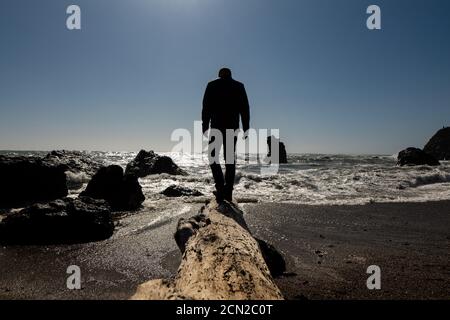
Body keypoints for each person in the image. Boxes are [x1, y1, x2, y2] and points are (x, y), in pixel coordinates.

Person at [202, 68, 250, 202]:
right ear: (230, 75)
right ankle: (228, 191)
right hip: (232, 126)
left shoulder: (212, 85)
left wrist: (204, 126)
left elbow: (206, 107)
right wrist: (246, 127)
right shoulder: (238, 86)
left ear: (219, 75)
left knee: (212, 157)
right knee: (229, 158)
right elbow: (245, 108)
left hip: (216, 125)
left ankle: (220, 187)